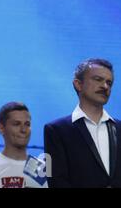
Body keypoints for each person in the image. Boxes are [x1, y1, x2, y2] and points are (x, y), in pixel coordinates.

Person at [44, 58, 121, 187]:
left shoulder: (119, 129)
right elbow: (56, 180)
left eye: (109, 82)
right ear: (78, 84)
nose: (105, 86)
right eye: (98, 79)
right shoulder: (56, 130)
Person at [0, 102, 47, 188]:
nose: (23, 130)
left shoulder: (42, 169)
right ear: (1, 128)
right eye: (16, 124)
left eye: (27, 124)